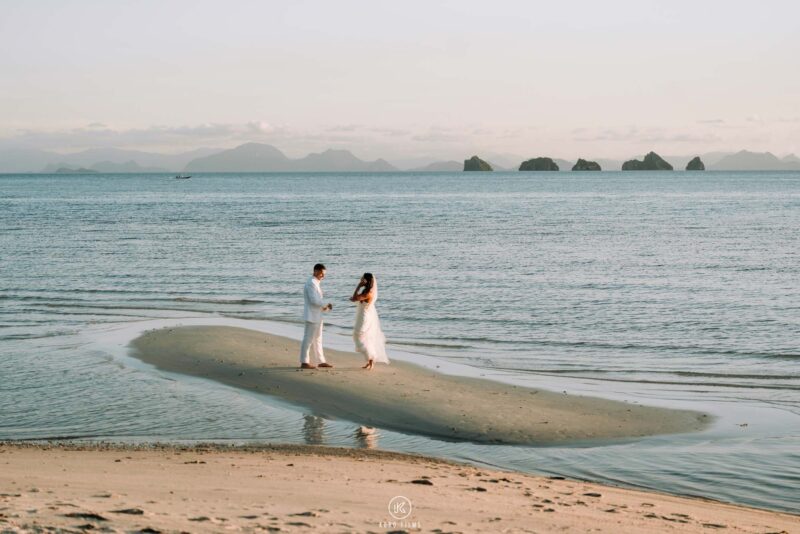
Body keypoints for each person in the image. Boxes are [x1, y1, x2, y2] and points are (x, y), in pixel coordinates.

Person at [349, 273, 389, 370]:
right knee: (365, 338)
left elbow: (354, 298)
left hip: (364, 317)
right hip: (362, 315)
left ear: (366, 281)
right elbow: (354, 298)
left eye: (363, 279)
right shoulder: (366, 291)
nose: (361, 279)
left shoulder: (368, 293)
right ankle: (370, 360)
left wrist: (358, 286)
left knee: (358, 336)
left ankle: (371, 358)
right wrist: (358, 290)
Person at [300, 263, 333, 369]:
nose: (323, 276)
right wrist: (325, 304)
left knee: (318, 338)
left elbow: (316, 301)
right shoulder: (311, 283)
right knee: (308, 339)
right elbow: (313, 300)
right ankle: (304, 362)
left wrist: (324, 308)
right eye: (321, 274)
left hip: (317, 315)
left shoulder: (316, 282)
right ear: (315, 271)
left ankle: (321, 361)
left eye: (324, 274)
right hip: (311, 315)